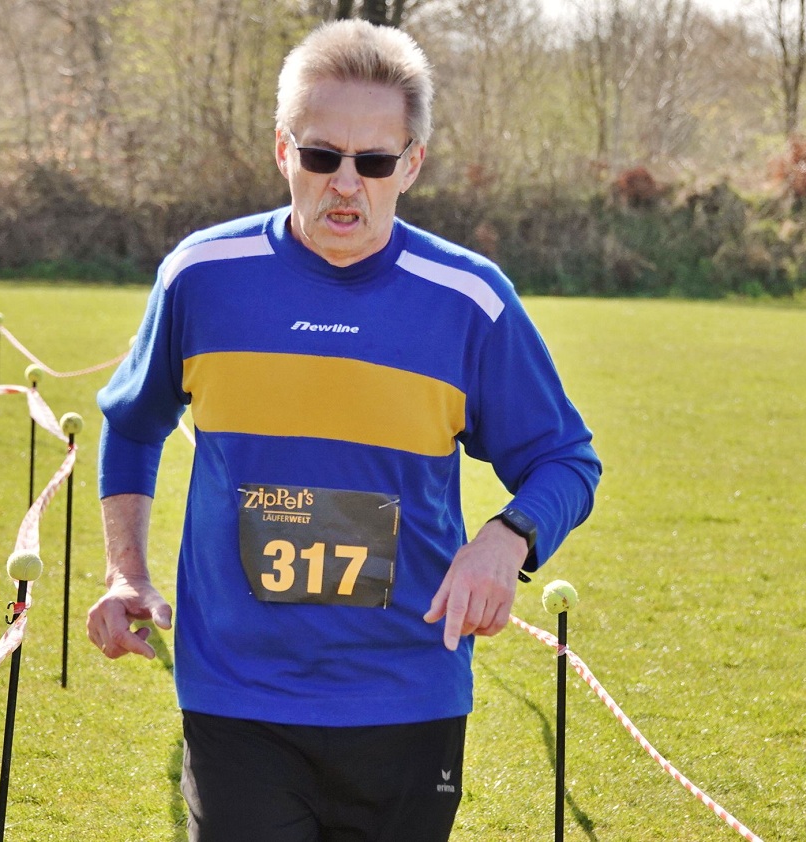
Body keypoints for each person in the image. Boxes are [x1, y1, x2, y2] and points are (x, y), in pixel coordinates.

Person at [87, 18, 601, 842]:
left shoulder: (469, 301)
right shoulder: (201, 277)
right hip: (238, 695)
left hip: (408, 694)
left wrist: (505, 540)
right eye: (322, 156)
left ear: (412, 164)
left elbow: (566, 460)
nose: (346, 185)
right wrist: (126, 574)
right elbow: (132, 422)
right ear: (283, 152)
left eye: (375, 162)